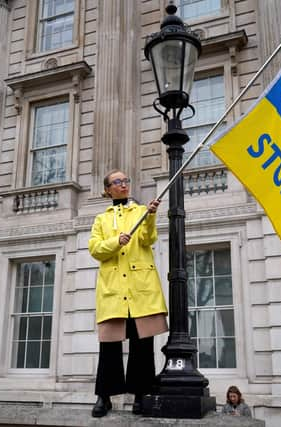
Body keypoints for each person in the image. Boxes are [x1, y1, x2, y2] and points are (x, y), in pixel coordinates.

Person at [88, 170, 168, 417]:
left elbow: (147, 239)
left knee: (142, 345)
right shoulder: (101, 219)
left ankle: (140, 394)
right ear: (107, 189)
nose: (123, 185)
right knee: (109, 346)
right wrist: (116, 242)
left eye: (125, 181)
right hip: (114, 290)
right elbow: (95, 249)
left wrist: (151, 215)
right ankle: (105, 396)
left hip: (140, 288)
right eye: (117, 182)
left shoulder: (140, 211)